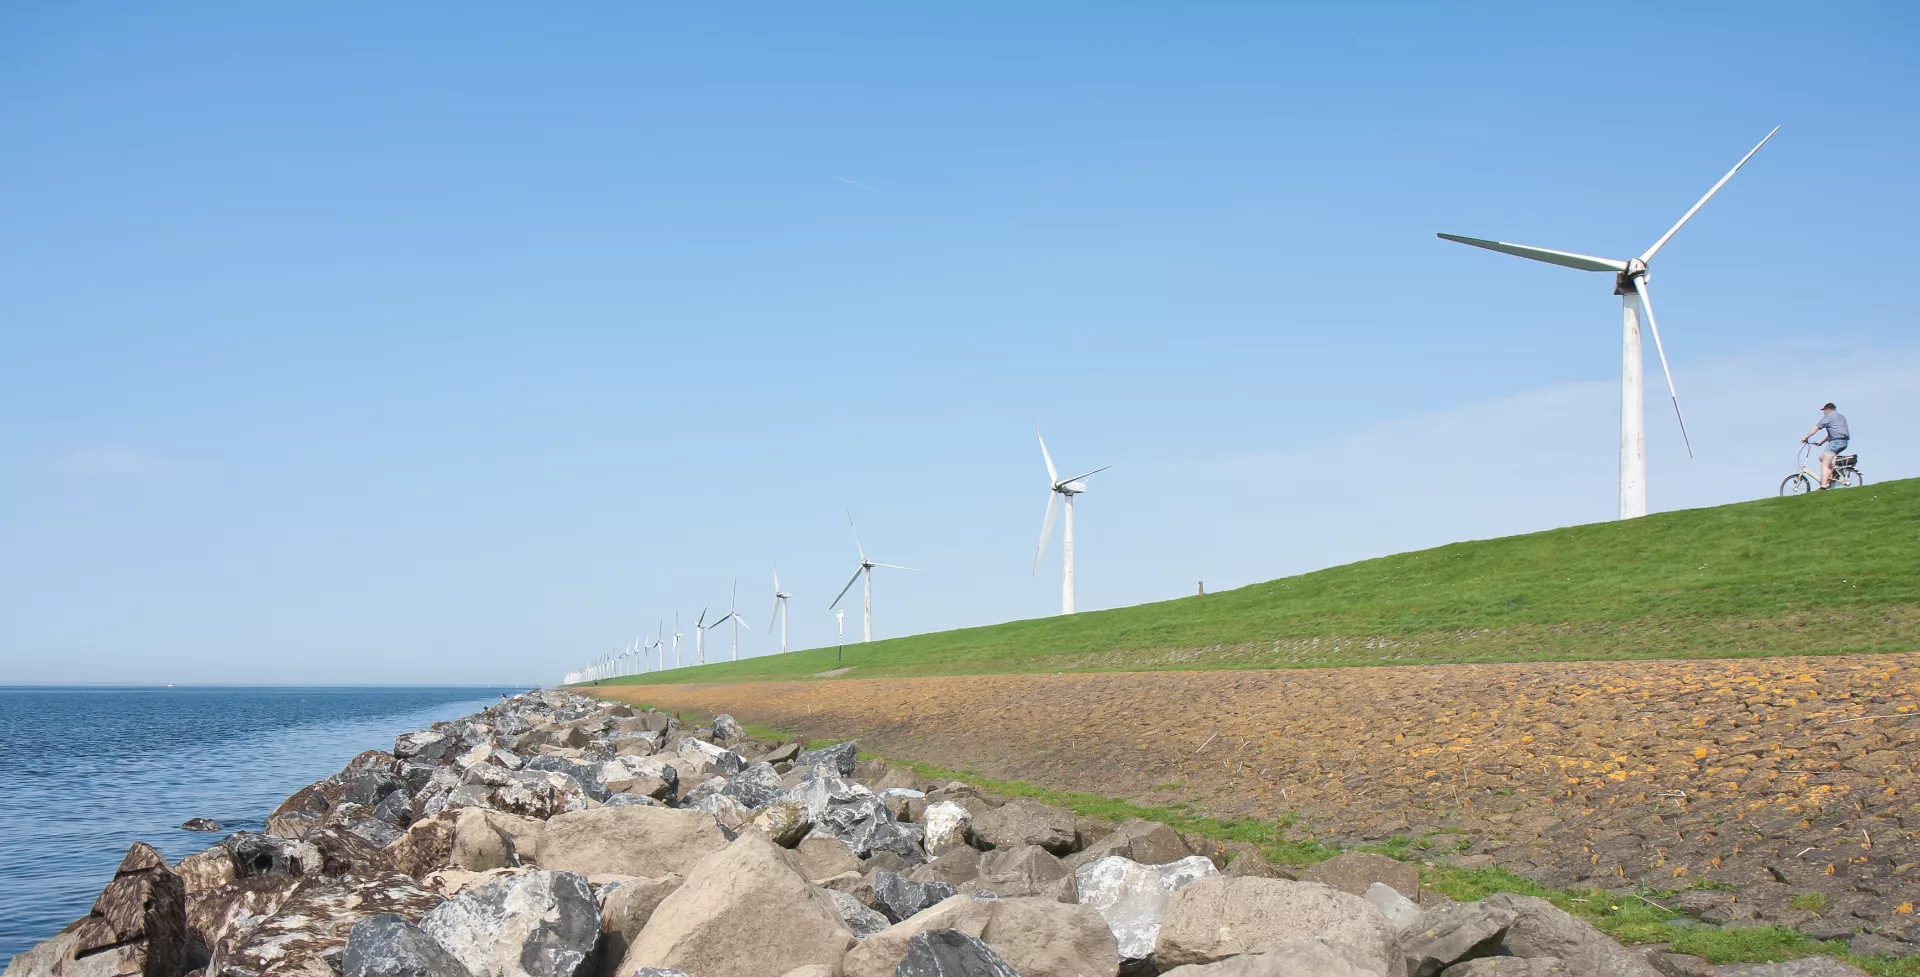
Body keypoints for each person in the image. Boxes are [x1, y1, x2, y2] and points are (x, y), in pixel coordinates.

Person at [1801, 402, 1850, 489]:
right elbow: (1833, 433)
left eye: (1824, 411)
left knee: (1824, 463)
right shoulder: (1841, 417)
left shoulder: (1829, 416)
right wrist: (1821, 442)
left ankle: (1824, 486)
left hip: (1836, 442)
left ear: (1828, 409)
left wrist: (1805, 437)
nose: (1823, 413)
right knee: (1821, 457)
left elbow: (1816, 428)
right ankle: (1830, 475)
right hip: (1843, 442)